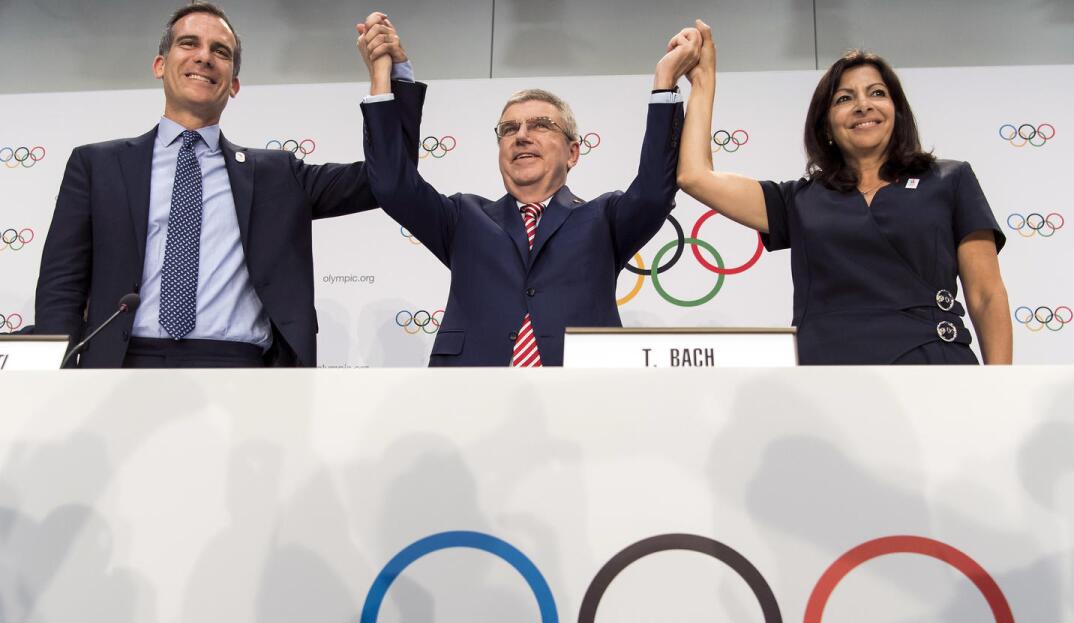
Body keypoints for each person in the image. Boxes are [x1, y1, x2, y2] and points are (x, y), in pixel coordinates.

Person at [34, 2, 418, 368]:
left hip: (239, 369)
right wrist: (54, 380)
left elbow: (388, 181)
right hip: (124, 364)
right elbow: (61, 286)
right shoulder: (96, 166)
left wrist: (388, 77)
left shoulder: (277, 175)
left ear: (233, 84)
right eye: (189, 43)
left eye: (221, 51)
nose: (204, 57)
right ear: (159, 65)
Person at [355, 13, 700, 366]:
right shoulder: (462, 218)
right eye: (509, 128)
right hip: (468, 399)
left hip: (580, 398)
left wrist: (665, 83)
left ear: (572, 152)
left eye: (541, 125)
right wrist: (386, 77)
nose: (521, 135)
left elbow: (655, 191)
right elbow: (393, 185)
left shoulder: (604, 218)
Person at [677, 21, 1012, 365]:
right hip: (829, 379)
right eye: (844, 98)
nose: (863, 105)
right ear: (827, 126)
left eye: (877, 93)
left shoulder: (949, 179)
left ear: (897, 111)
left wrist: (999, 389)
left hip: (935, 368)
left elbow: (986, 295)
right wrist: (703, 80)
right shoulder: (798, 201)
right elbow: (695, 176)